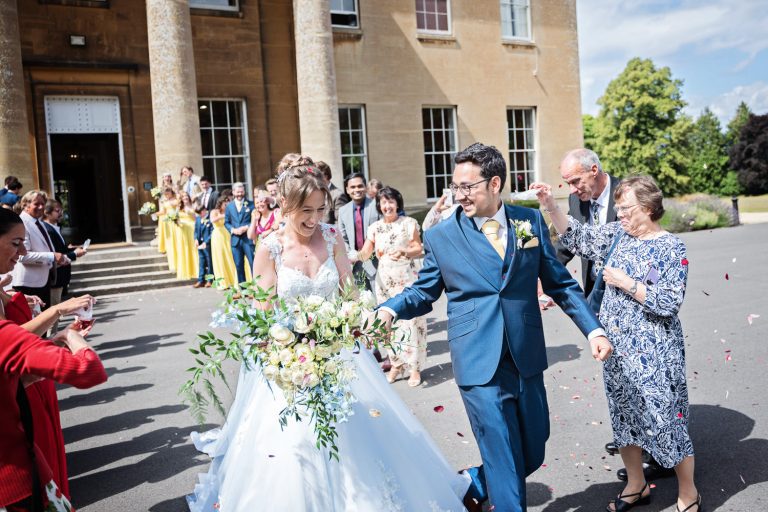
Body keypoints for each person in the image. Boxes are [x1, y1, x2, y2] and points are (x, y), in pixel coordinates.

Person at [187, 156, 470, 511]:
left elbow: (350, 293)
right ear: (285, 205)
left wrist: (355, 321)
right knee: (293, 446)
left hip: (339, 354)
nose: (314, 219)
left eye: (321, 210)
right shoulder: (269, 247)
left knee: (359, 437)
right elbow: (263, 314)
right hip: (289, 362)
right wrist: (286, 352)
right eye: (306, 210)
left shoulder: (333, 237)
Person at [375, 143, 613, 511]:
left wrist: (593, 329)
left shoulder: (528, 222)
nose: (460, 194)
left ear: (495, 183)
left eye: (468, 186)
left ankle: (472, 482)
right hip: (477, 359)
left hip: (525, 353)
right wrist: (389, 309)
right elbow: (424, 291)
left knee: (532, 448)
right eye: (456, 186)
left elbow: (559, 283)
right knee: (503, 453)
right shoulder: (441, 235)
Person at [533, 175, 700, 512]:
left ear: (650, 209)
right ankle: (637, 485)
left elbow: (669, 302)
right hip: (617, 347)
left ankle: (688, 493)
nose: (620, 215)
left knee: (666, 418)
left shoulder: (670, 246)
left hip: (655, 350)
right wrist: (550, 206)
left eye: (627, 210)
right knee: (625, 418)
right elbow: (578, 237)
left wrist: (627, 283)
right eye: (619, 209)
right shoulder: (617, 235)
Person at [0, 208, 108, 511]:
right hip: (13, 474)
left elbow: (11, 377)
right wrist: (70, 337)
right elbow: (88, 370)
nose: (22, 252)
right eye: (15, 243)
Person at [353, 187, 426, 387]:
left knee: (410, 323)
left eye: (391, 201)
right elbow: (366, 252)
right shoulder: (375, 228)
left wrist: (405, 249)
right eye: (383, 202)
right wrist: (349, 257)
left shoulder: (408, 224)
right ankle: (395, 364)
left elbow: (418, 248)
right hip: (383, 282)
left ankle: (414, 367)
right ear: (379, 205)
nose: (387, 206)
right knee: (388, 325)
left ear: (398, 203)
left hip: (406, 281)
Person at [11, 190, 69, 309]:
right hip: (28, 284)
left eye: (43, 204)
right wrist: (52, 256)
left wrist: (58, 259)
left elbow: (46, 248)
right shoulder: (22, 222)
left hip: (43, 281)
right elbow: (22, 256)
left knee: (44, 323)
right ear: (25, 205)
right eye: (36, 204)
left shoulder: (39, 223)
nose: (41, 207)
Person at [43, 199, 87, 332]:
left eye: (61, 210)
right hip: (54, 277)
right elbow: (55, 256)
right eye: (57, 211)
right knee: (53, 314)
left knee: (55, 313)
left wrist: (69, 250)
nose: (61, 213)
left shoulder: (54, 228)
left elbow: (59, 250)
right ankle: (52, 343)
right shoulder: (48, 229)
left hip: (60, 277)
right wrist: (74, 255)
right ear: (47, 212)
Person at [338, 173, 380, 291]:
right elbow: (343, 238)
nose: (357, 189)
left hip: (376, 263)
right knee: (362, 303)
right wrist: (351, 255)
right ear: (347, 189)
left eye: (360, 186)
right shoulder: (343, 211)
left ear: (365, 187)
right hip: (355, 265)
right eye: (352, 187)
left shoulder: (376, 206)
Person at [209, 196, 249, 289]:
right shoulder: (214, 211)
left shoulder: (230, 211)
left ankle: (233, 280)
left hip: (228, 235)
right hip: (218, 236)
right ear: (221, 203)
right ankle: (223, 281)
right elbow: (212, 220)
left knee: (230, 257)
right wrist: (223, 215)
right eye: (225, 204)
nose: (227, 205)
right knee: (221, 257)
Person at [224, 182, 255, 284]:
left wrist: (246, 227)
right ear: (233, 192)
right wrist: (233, 230)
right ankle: (243, 290)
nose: (240, 194)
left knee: (253, 263)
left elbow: (255, 220)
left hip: (248, 239)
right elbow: (226, 222)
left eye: (241, 192)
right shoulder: (229, 206)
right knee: (238, 265)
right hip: (235, 241)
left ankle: (256, 288)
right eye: (237, 192)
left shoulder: (251, 204)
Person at [157, 187, 179, 271]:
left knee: (176, 241)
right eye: (165, 194)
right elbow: (163, 212)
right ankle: (173, 263)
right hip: (168, 223)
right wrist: (154, 214)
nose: (166, 195)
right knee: (170, 242)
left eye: (168, 193)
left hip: (175, 221)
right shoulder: (165, 202)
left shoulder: (177, 199)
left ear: (171, 192)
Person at [193, 205, 214, 288]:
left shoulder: (210, 219)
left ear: (204, 210)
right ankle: (200, 280)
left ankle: (209, 280)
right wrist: (195, 239)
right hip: (200, 244)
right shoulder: (198, 219)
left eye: (200, 212)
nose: (200, 215)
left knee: (209, 262)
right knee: (201, 262)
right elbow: (195, 231)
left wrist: (206, 242)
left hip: (207, 244)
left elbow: (212, 232)